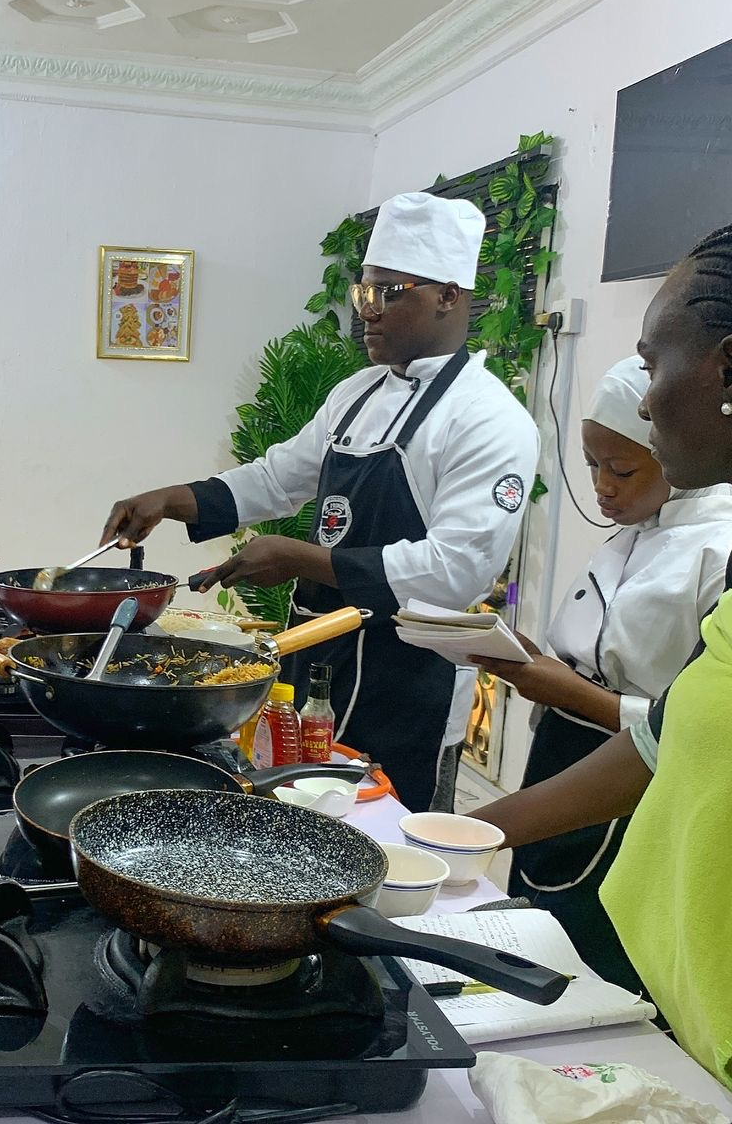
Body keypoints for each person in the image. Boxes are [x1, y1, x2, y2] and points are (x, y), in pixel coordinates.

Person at [102, 192, 540, 810]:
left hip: (405, 682)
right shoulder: (357, 392)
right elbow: (279, 477)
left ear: (449, 294)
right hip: (318, 661)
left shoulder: (489, 419)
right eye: (365, 293)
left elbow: (455, 572)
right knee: (300, 823)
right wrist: (170, 499)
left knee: (383, 846)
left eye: (391, 293)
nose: (369, 313)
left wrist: (304, 561)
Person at [474, 224, 732, 1088]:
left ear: (726, 370)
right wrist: (464, 831)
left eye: (655, 365)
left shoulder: (714, 545)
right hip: (693, 1015)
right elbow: (665, 739)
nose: (649, 403)